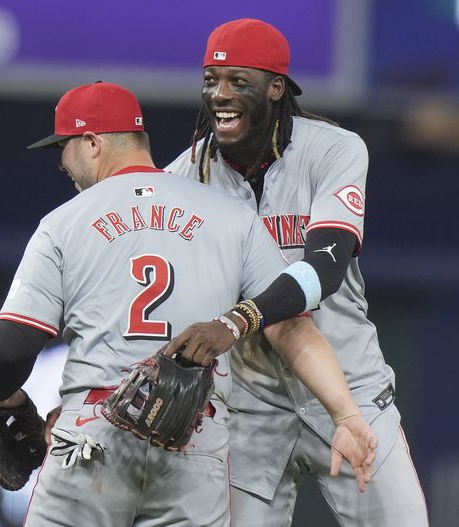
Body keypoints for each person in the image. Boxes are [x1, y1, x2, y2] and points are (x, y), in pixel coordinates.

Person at [0, 81, 376, 526]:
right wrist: (346, 413)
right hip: (192, 439)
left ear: (91, 144)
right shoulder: (231, 215)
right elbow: (291, 326)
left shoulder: (63, 223)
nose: (61, 162)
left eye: (63, 147)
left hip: (93, 437)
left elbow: (11, 350)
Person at [164, 18, 429, 526]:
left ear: (276, 87)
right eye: (211, 81)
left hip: (351, 392)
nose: (220, 94)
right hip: (249, 412)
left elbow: (324, 269)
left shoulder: (333, 149)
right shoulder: (184, 178)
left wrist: (236, 320)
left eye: (238, 81)